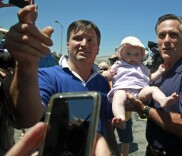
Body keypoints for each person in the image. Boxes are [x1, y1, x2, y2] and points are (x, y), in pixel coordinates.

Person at [4, 5, 111, 156]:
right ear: (68, 45)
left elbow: (105, 123)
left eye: (90, 40)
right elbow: (27, 118)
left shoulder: (102, 82)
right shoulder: (46, 76)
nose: (84, 44)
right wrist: (26, 66)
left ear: (98, 48)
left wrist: (114, 149)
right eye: (77, 38)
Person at [126, 14, 182, 156]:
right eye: (162, 35)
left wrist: (144, 109)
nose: (166, 41)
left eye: (173, 35)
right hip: (151, 151)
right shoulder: (158, 71)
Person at [105, 36, 178, 130]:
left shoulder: (142, 67)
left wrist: (160, 72)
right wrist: (108, 76)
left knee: (153, 89)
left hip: (140, 91)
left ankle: (163, 100)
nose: (132, 57)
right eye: (128, 53)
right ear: (121, 54)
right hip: (122, 90)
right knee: (118, 96)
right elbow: (109, 76)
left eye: (136, 54)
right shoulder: (118, 65)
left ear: (141, 56)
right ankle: (121, 119)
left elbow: (150, 78)